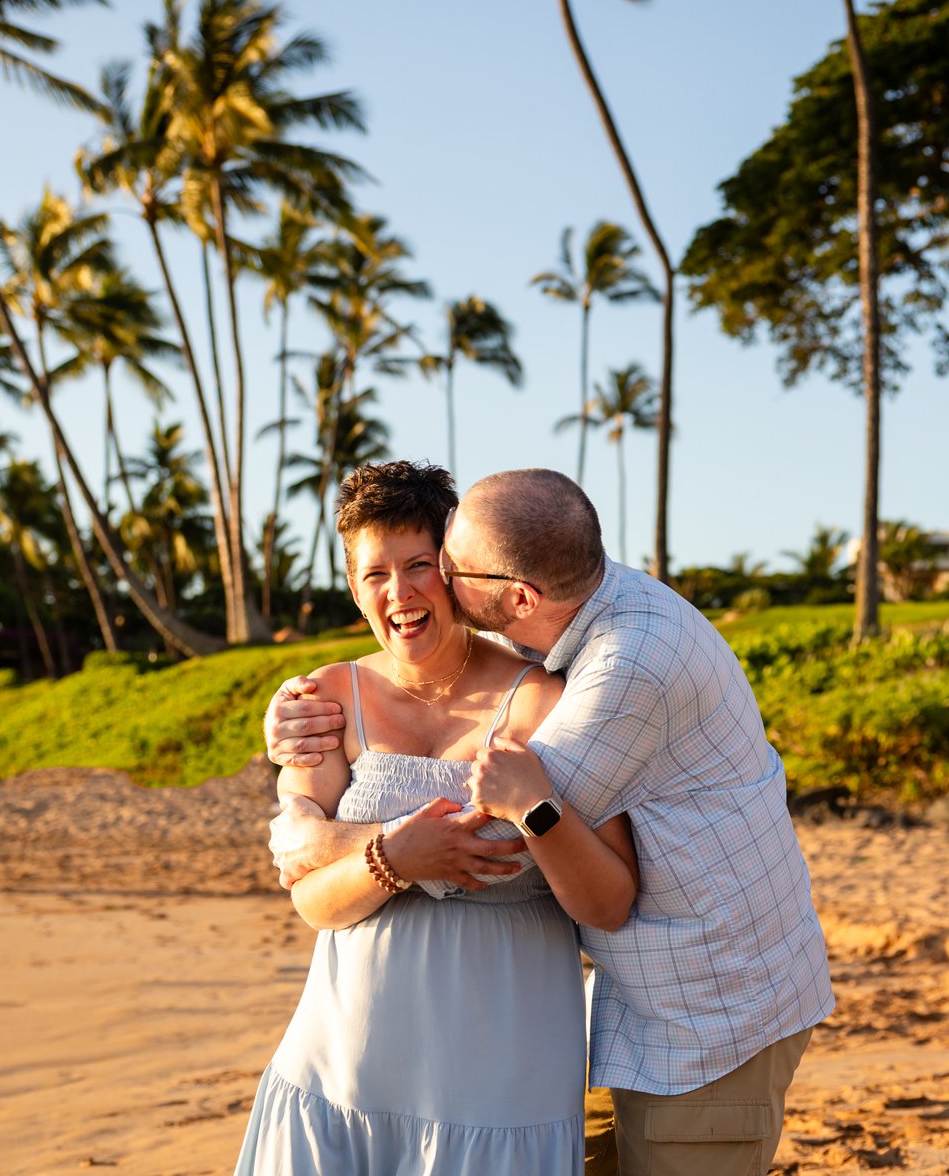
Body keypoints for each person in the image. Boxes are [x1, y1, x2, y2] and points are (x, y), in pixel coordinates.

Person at [269, 467, 834, 1175]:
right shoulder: (562, 615)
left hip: (708, 1012)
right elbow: (318, 884)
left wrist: (328, 840)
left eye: (438, 566)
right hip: (604, 1013)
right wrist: (284, 724)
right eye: (375, 573)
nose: (417, 586)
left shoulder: (618, 672)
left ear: (517, 595)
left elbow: (494, 840)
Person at [233, 460, 639, 1176]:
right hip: (343, 1071)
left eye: (419, 565)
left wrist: (353, 844)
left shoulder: (548, 701)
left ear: (453, 568)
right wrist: (394, 857)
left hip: (504, 1085)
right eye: (374, 575)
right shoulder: (327, 699)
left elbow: (610, 898)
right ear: (355, 590)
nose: (400, 593)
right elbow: (309, 899)